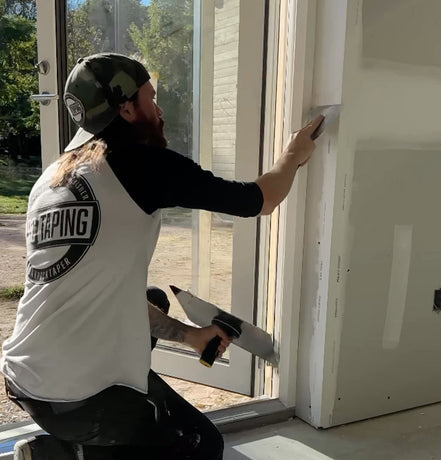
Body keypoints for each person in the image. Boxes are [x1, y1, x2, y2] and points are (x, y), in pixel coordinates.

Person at [1, 53, 323, 459]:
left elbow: (108, 297)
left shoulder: (52, 177)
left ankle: (66, 443)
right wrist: (294, 153)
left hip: (23, 379)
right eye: (151, 98)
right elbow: (261, 199)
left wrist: (191, 336)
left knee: (151, 297)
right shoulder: (142, 165)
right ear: (127, 108)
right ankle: (66, 453)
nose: (159, 110)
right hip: (79, 401)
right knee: (201, 446)